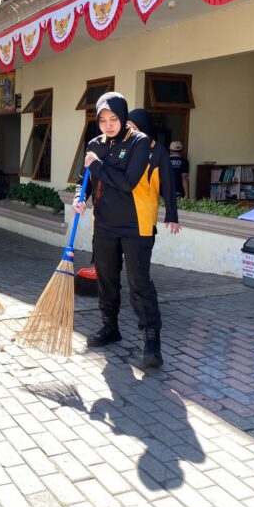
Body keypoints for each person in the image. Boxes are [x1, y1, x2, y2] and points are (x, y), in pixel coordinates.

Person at [74, 93, 176, 367]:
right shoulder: (95, 143)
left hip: (135, 225)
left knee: (139, 283)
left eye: (114, 119)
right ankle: (110, 327)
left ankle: (151, 342)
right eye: (102, 120)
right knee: (106, 279)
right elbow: (84, 178)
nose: (108, 125)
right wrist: (79, 197)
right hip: (104, 224)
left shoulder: (140, 143)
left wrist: (97, 165)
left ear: (122, 116)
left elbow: (128, 181)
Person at [128, 109, 181, 234]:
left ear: (143, 128)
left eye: (133, 128)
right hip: (120, 217)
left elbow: (168, 184)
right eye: (127, 127)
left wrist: (171, 215)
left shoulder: (158, 151)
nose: (129, 132)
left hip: (144, 217)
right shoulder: (124, 148)